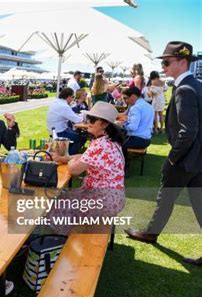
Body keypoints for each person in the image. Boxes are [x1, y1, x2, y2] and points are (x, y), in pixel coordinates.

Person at [125, 42, 202, 266]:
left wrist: (172, 158)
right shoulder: (195, 85)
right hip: (197, 158)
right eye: (162, 62)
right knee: (198, 204)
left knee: (165, 198)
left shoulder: (186, 88)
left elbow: (188, 131)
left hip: (185, 159)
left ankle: (150, 233)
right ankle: (151, 233)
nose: (163, 66)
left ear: (182, 62)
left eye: (166, 62)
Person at [50, 101, 126, 235]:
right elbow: (86, 156)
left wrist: (70, 161)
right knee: (63, 197)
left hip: (102, 199)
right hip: (112, 197)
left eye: (93, 119)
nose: (88, 121)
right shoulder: (108, 140)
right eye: (88, 118)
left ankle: (63, 241)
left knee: (55, 203)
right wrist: (64, 158)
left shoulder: (100, 145)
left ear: (105, 124)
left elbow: (74, 170)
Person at [119, 86, 154, 169]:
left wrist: (121, 125)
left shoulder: (136, 108)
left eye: (126, 98)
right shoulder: (148, 105)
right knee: (118, 140)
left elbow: (132, 127)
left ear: (134, 96)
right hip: (146, 139)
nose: (125, 101)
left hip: (138, 139)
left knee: (115, 143)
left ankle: (124, 167)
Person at [46, 87, 85, 155]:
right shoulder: (64, 106)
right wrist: (84, 116)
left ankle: (64, 151)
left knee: (75, 133)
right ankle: (67, 156)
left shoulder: (55, 102)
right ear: (69, 96)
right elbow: (77, 120)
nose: (73, 99)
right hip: (59, 132)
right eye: (73, 97)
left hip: (52, 130)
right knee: (81, 138)